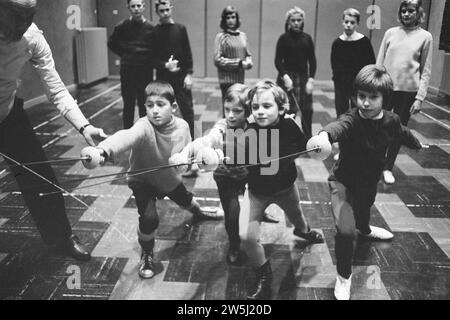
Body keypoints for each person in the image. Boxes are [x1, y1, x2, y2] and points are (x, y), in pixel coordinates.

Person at [80, 81, 222, 279]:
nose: (154, 110)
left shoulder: (182, 126)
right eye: (149, 105)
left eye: (160, 104)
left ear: (173, 107)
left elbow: (187, 153)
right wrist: (103, 150)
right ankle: (147, 253)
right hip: (143, 180)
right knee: (149, 219)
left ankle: (199, 212)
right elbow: (126, 136)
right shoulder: (143, 126)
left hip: (168, 178)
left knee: (186, 200)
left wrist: (197, 160)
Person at [0, 0, 106, 261]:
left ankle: (61, 237)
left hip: (9, 113)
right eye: (14, 15)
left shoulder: (32, 36)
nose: (22, 24)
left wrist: (85, 126)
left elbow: (56, 88)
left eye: (28, 16)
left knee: (42, 180)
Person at [307, 65, 423, 300]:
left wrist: (416, 143)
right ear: (355, 96)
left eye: (373, 97)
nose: (365, 103)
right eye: (361, 96)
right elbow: (338, 126)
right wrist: (324, 136)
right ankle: (343, 277)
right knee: (346, 232)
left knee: (364, 209)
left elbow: (401, 131)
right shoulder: (351, 118)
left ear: (385, 98)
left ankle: (366, 229)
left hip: (368, 181)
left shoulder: (391, 120)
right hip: (342, 183)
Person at [169, 83, 278, 267]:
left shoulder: (254, 124)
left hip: (248, 175)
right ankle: (234, 245)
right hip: (225, 178)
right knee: (232, 215)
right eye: (227, 109)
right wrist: (189, 152)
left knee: (259, 196)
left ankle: (261, 212)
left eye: (237, 111)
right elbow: (208, 139)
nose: (230, 115)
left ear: (248, 110)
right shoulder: (222, 125)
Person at [239, 80, 323, 300]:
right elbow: (239, 154)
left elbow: (305, 145)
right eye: (255, 107)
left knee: (298, 218)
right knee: (245, 236)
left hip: (286, 189)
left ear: (281, 108)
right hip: (257, 193)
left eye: (267, 106)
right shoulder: (249, 130)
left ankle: (302, 231)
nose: (259, 112)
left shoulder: (288, 125)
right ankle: (263, 271)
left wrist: (312, 146)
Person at [377, 0, 432, 185]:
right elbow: (380, 61)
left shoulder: (426, 37)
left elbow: (425, 70)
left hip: (407, 93)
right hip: (386, 90)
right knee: (377, 127)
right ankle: (375, 163)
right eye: (404, 11)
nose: (406, 14)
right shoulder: (390, 33)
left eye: (411, 11)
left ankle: (387, 167)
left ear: (418, 13)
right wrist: (375, 84)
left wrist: (420, 98)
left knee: (396, 131)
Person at [330, 8, 376, 161]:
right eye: (346, 22)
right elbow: (335, 66)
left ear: (357, 24)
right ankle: (344, 150)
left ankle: (360, 149)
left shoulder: (364, 42)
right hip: (342, 87)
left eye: (352, 22)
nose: (348, 25)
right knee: (342, 118)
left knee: (362, 116)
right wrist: (340, 85)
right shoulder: (337, 43)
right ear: (342, 22)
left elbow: (370, 65)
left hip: (360, 88)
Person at [108, 0, 154, 129]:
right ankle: (127, 134)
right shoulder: (122, 26)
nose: (136, 9)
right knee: (128, 104)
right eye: (133, 6)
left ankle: (145, 132)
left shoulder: (151, 27)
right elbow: (111, 43)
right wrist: (125, 53)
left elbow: (155, 48)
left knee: (144, 103)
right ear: (128, 7)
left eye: (138, 6)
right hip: (128, 70)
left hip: (145, 71)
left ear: (143, 7)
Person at [152, 0, 195, 140]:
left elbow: (187, 53)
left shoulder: (180, 28)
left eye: (166, 9)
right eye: (161, 11)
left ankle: (192, 139)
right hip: (164, 78)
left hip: (181, 78)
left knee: (188, 110)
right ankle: (165, 141)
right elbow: (152, 58)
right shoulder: (155, 31)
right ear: (157, 12)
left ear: (171, 8)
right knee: (163, 110)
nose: (164, 13)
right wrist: (165, 65)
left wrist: (189, 74)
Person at [275, 6, 317, 138]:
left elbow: (313, 61)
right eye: (293, 20)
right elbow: (277, 61)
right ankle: (284, 138)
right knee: (286, 110)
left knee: (307, 111)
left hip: (303, 78)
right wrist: (285, 76)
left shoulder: (307, 38)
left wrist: (311, 79)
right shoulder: (283, 38)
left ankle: (308, 139)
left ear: (302, 21)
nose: (296, 23)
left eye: (299, 20)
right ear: (288, 22)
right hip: (287, 78)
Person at [214, 6, 253, 117]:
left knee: (240, 107)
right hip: (226, 80)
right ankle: (227, 132)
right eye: (228, 17)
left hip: (240, 79)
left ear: (237, 19)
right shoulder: (221, 37)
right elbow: (217, 60)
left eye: (233, 17)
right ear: (224, 20)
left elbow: (248, 54)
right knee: (228, 109)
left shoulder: (243, 36)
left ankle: (238, 132)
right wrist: (239, 63)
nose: (231, 20)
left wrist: (249, 61)